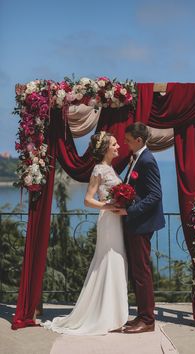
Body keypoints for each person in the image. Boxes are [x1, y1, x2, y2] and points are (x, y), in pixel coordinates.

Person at [42, 131, 129, 335]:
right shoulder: (99, 169)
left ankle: (114, 312)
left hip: (115, 219)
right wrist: (108, 206)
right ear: (106, 148)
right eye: (114, 144)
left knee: (116, 260)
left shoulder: (109, 168)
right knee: (109, 260)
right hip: (108, 220)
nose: (118, 147)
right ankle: (105, 314)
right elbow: (87, 200)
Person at [114, 122, 165, 334]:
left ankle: (148, 320)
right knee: (136, 272)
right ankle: (141, 315)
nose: (125, 143)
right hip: (135, 223)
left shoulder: (147, 160)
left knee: (142, 272)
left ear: (139, 140)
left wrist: (130, 211)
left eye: (127, 140)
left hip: (141, 224)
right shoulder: (137, 158)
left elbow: (155, 195)